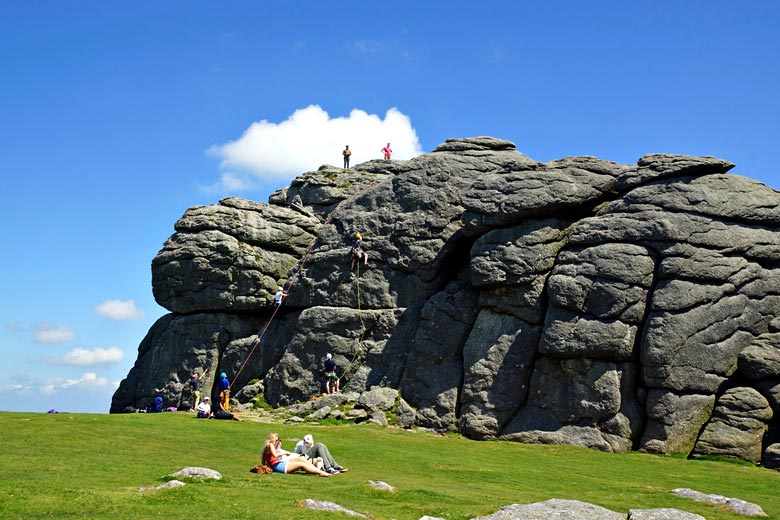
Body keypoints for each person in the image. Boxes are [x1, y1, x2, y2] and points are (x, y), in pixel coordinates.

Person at [262, 433, 331, 477]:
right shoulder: (270, 444)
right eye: (276, 440)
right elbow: (275, 455)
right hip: (278, 466)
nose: (277, 442)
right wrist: (285, 453)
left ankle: (316, 470)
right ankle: (320, 472)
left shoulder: (268, 446)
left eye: (278, 440)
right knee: (301, 464)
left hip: (279, 463)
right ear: (272, 439)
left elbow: (263, 459)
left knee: (302, 459)